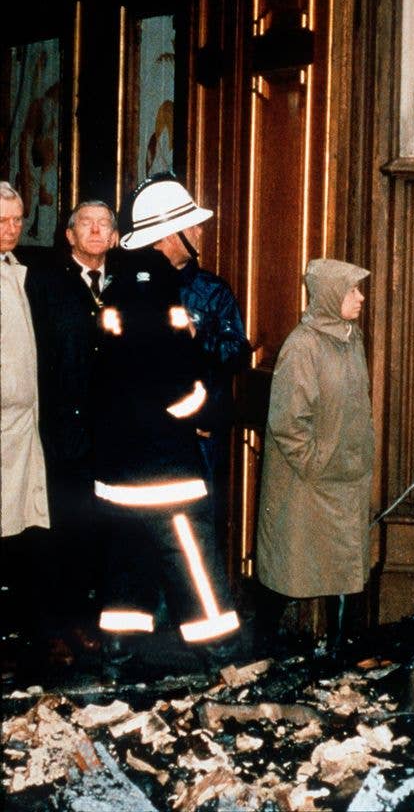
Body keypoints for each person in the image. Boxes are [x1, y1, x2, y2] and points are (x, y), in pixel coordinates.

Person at [93, 212, 243, 684]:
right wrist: (203, 414)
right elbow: (188, 393)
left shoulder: (109, 307)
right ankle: (224, 657)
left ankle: (117, 657)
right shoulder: (167, 307)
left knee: (126, 567)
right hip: (170, 476)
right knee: (195, 568)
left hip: (119, 478)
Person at [120, 174, 251, 548]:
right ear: (167, 234)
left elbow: (236, 352)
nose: (198, 232)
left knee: (196, 539)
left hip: (202, 442)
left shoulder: (213, 291)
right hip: (149, 443)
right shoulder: (129, 291)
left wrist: (200, 338)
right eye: (190, 226)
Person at [255, 258, 375, 660]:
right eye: (351, 290)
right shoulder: (302, 346)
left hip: (347, 479)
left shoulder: (351, 338)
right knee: (291, 567)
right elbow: (287, 422)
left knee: (344, 567)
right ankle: (262, 649)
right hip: (309, 484)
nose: (360, 298)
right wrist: (316, 463)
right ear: (328, 295)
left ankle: (340, 653)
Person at [25, 199, 119, 667]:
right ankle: (55, 630)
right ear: (69, 235)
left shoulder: (123, 286)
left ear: (115, 237)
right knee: (60, 532)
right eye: (87, 223)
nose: (97, 230)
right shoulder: (44, 284)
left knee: (100, 533)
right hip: (61, 434)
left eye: (105, 225)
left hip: (112, 437)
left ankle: (89, 622)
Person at [0, 182, 50, 681]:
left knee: (21, 533)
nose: (12, 229)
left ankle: (23, 640)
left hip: (22, 430)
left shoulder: (18, 272)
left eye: (17, 219)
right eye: (2, 222)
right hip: (2, 428)